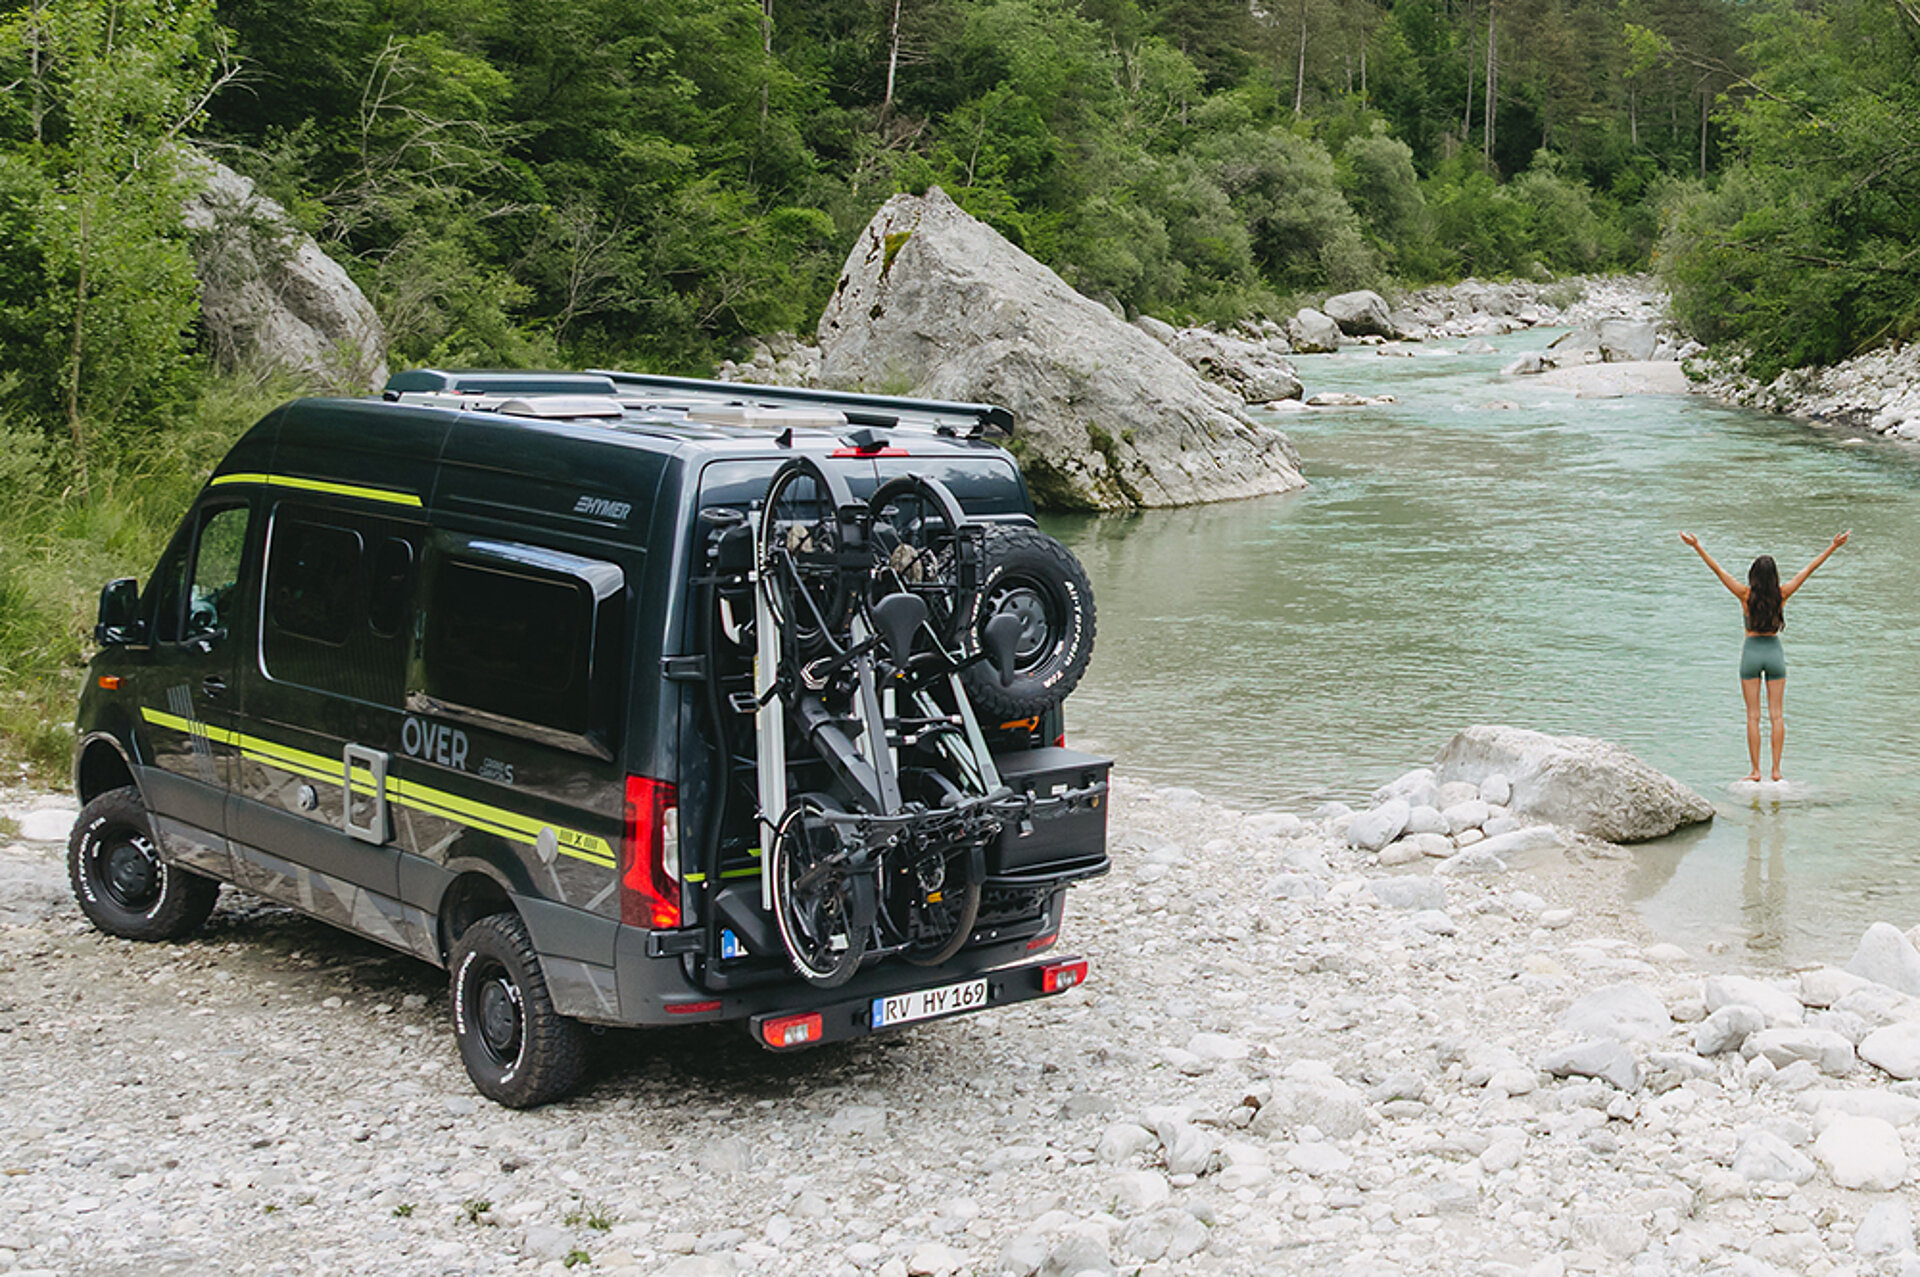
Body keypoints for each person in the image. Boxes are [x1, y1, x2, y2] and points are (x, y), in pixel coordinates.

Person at [1679, 530, 1849, 782]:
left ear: (1753, 575)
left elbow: (1718, 570)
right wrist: (1833, 546)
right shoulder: (1783, 593)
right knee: (1777, 715)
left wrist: (1697, 546)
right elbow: (1809, 569)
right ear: (1774, 576)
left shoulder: (1745, 595)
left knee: (1753, 716)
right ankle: (1776, 771)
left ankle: (1756, 771)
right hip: (1774, 653)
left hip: (1751, 653)